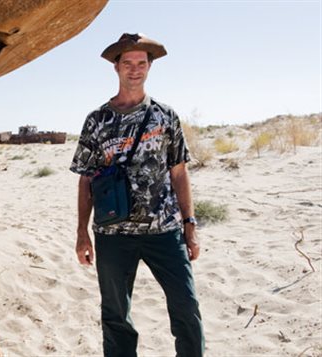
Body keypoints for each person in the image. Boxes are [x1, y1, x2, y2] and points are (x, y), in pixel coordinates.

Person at [70, 33, 204, 356]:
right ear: (116, 67)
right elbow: (86, 180)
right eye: (127, 63)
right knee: (116, 318)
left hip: (165, 231)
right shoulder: (97, 121)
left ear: (149, 67)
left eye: (141, 63)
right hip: (113, 234)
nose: (134, 69)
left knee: (186, 308)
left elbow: (179, 172)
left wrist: (189, 224)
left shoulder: (165, 116)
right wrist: (81, 232)